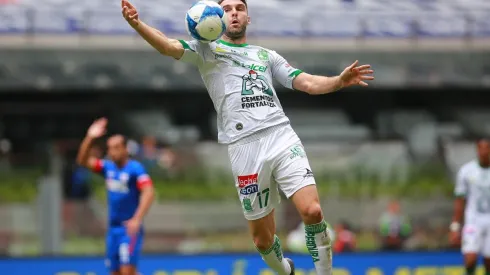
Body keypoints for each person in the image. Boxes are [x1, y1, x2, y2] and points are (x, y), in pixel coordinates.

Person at [121, 0, 374, 274]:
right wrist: (137, 24)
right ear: (218, 16)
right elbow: (166, 45)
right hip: (243, 148)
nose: (234, 13)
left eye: (239, 8)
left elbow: (308, 83)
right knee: (262, 239)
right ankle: (285, 271)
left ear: (248, 18)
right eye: (227, 8)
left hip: (280, 135)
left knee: (312, 211)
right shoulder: (206, 50)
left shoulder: (266, 55)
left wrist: (338, 80)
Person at [76, 118, 155, 275]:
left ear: (126, 149)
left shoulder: (135, 169)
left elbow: (149, 191)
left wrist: (137, 219)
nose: (112, 152)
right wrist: (90, 137)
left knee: (127, 271)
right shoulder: (108, 168)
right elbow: (82, 160)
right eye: (110, 148)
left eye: (117, 148)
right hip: (113, 230)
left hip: (128, 229)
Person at [451, 139, 490, 275]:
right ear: (477, 151)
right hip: (473, 219)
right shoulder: (467, 171)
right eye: (481, 149)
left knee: (488, 261)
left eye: (487, 149)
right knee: (470, 258)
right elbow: (460, 200)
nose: (484, 152)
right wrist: (455, 226)